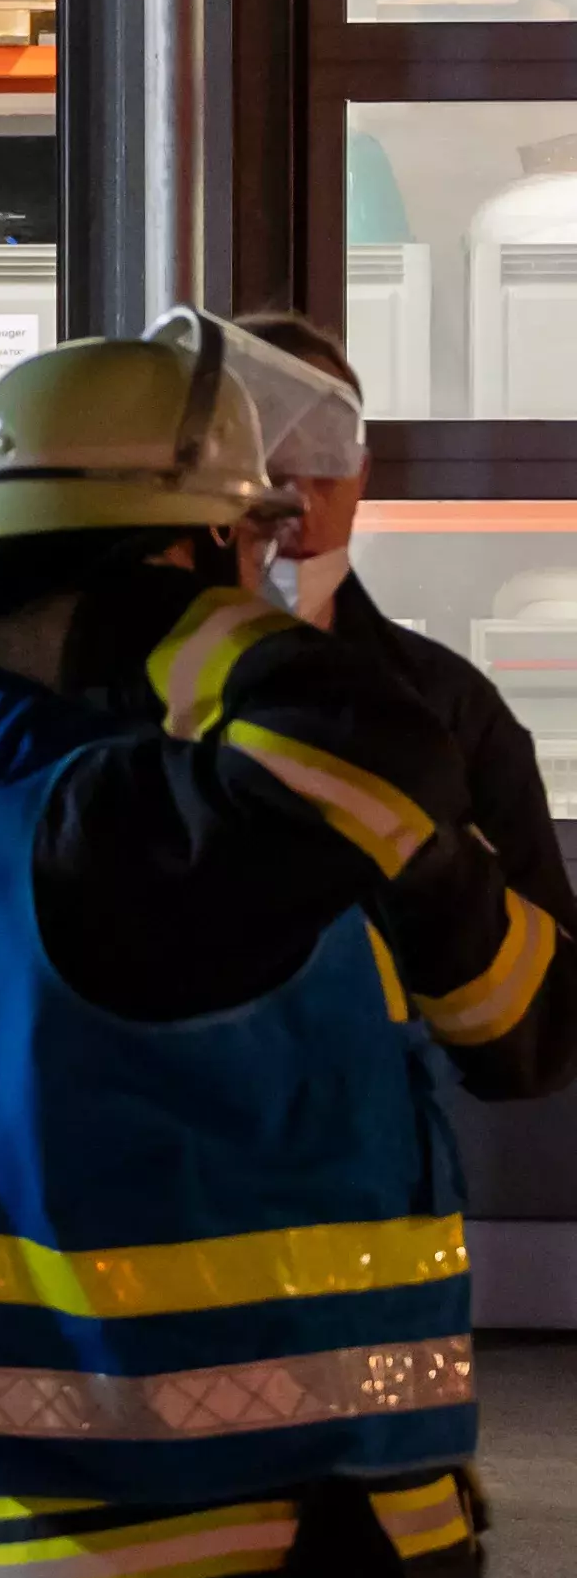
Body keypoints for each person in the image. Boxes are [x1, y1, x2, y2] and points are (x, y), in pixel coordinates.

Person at [0, 316, 555, 1578]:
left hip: (84, 1537)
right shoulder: (151, 808)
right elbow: (497, 987)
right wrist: (178, 613)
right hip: (222, 1546)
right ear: (192, 550)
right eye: (247, 527)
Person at [236, 307, 577, 1091]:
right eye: (263, 458)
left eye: (322, 454)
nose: (297, 496)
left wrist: (432, 866)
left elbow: (544, 1035)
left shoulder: (447, 710)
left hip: (368, 1175)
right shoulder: (100, 690)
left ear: (361, 472)